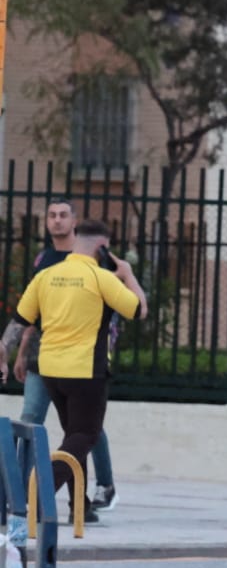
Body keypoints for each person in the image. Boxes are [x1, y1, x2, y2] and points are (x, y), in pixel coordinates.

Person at [11, 219, 145, 524]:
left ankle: (79, 506)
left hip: (49, 370)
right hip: (86, 371)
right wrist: (128, 274)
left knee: (74, 435)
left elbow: (21, 320)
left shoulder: (46, 275)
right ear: (103, 248)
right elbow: (138, 309)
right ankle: (40, 490)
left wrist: (5, 349)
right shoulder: (101, 277)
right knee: (85, 435)